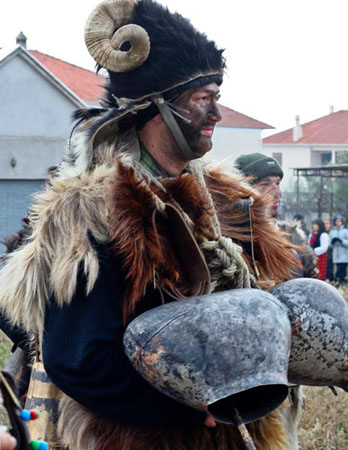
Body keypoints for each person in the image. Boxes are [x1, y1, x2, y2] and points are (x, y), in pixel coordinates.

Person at [0, 1, 300, 449]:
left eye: (216, 98)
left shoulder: (227, 201)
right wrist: (193, 407)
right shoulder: (93, 212)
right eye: (202, 100)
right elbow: (82, 360)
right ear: (155, 108)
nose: (216, 114)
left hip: (234, 432)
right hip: (141, 438)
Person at [235, 152, 318, 278]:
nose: (277, 192)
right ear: (243, 190)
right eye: (265, 184)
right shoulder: (231, 242)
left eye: (277, 183)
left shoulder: (293, 238)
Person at [329, 214, 348, 286]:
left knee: (341, 271)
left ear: (342, 222)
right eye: (337, 221)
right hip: (335, 256)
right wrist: (332, 242)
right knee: (338, 271)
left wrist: (341, 241)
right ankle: (340, 283)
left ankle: (341, 283)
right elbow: (330, 246)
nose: (338, 223)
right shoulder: (332, 232)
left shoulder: (345, 231)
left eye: (340, 221)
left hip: (344, 256)